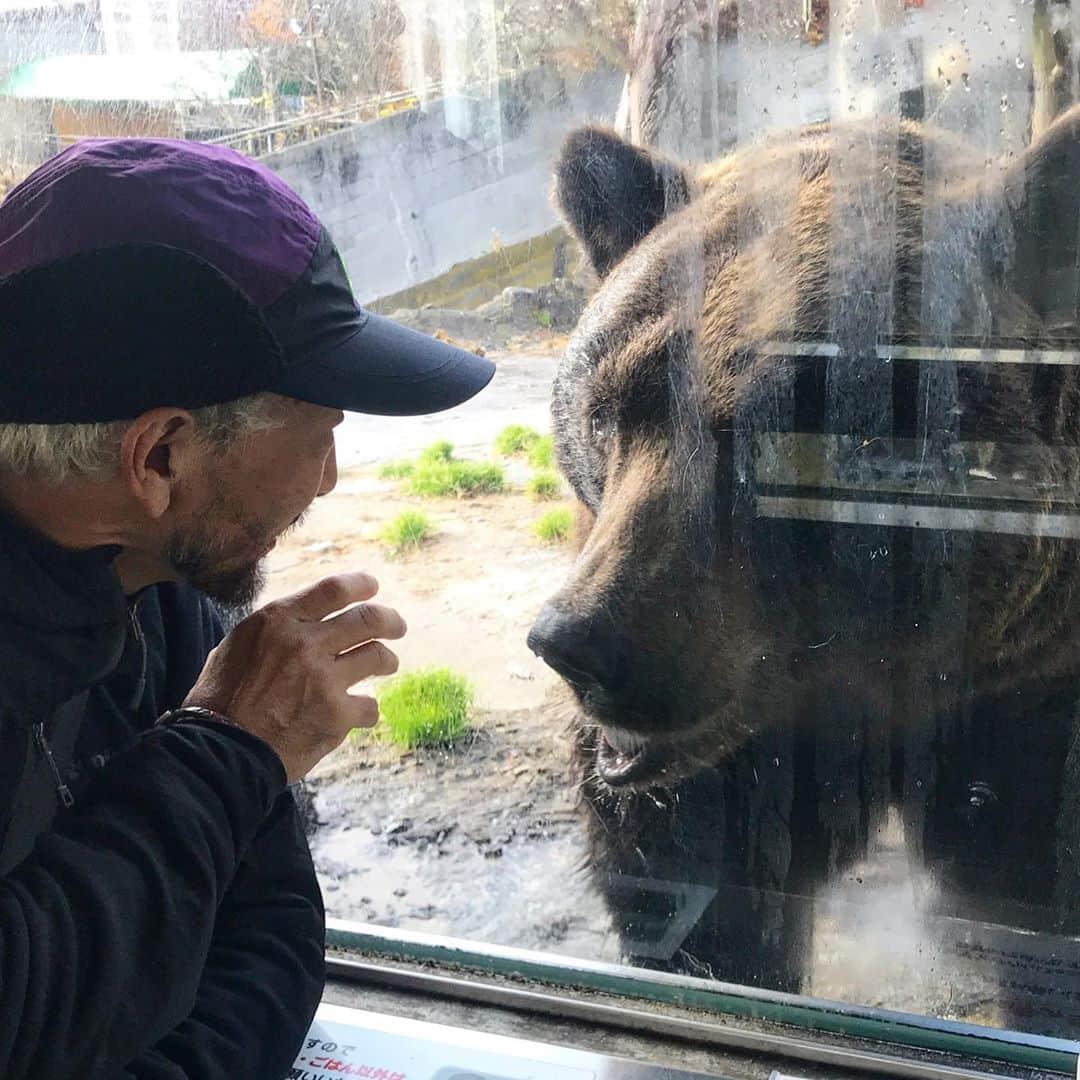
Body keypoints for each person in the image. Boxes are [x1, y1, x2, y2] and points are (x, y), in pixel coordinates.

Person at [0, 138, 495, 1079]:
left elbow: (269, 929)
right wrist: (222, 755)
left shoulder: (160, 584)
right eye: (320, 432)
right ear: (159, 459)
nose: (331, 477)